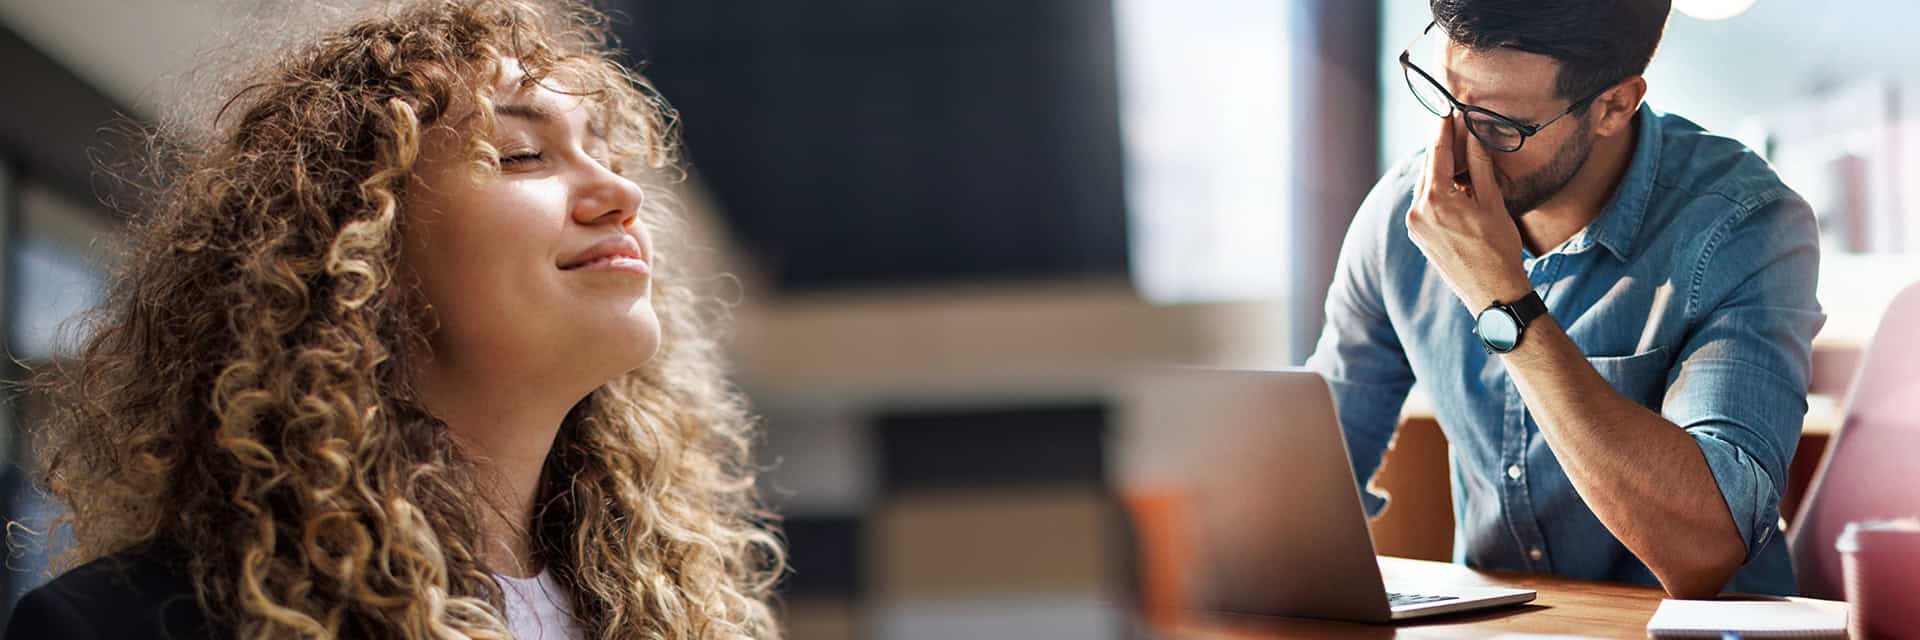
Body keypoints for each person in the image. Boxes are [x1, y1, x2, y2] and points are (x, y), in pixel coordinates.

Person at [3, 0, 784, 637]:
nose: (623, 193)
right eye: (521, 154)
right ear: (359, 244)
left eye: (606, 155)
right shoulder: (118, 626)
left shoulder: (676, 616)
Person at [1307, 0, 1823, 598]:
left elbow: (1705, 549)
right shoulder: (1404, 214)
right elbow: (1318, 470)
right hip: (1495, 631)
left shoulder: (1744, 225)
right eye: (1444, 95)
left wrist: (1501, 299)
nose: (1456, 145)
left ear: (1614, 106)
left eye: (1499, 126)